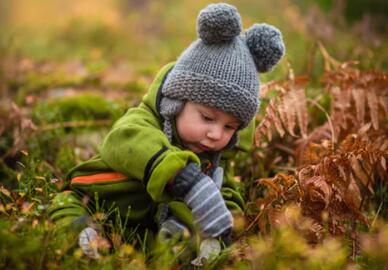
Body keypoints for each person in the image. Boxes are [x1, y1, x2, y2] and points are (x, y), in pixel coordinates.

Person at [48, 2, 285, 263]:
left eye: (229, 126)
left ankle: (171, 246)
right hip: (93, 199)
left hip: (141, 228)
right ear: (176, 103)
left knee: (186, 236)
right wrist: (183, 177)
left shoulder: (214, 157)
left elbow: (225, 190)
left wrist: (224, 225)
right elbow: (123, 140)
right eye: (207, 118)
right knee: (68, 208)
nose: (216, 134)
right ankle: (82, 236)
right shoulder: (143, 122)